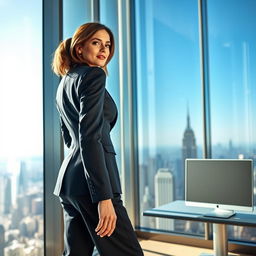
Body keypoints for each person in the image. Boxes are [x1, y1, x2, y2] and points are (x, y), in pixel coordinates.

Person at [52, 22, 144, 256]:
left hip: (70, 184)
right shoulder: (93, 75)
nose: (104, 49)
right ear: (80, 48)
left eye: (108, 44)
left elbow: (69, 138)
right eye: (96, 43)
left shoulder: (65, 83)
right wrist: (103, 197)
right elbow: (90, 136)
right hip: (95, 187)